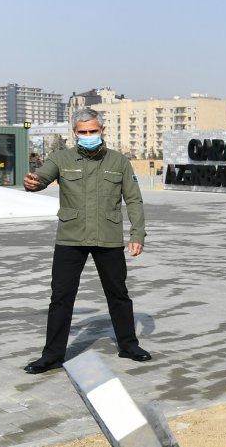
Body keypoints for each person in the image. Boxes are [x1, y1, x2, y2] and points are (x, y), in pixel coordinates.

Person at [22, 108, 151, 374]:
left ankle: (129, 345)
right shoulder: (60, 158)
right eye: (83, 132)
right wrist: (33, 183)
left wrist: (137, 234)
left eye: (93, 131)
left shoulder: (118, 162)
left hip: (108, 237)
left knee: (118, 294)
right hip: (71, 237)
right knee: (61, 297)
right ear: (75, 133)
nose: (88, 136)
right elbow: (41, 177)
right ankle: (52, 356)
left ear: (102, 130)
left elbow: (134, 200)